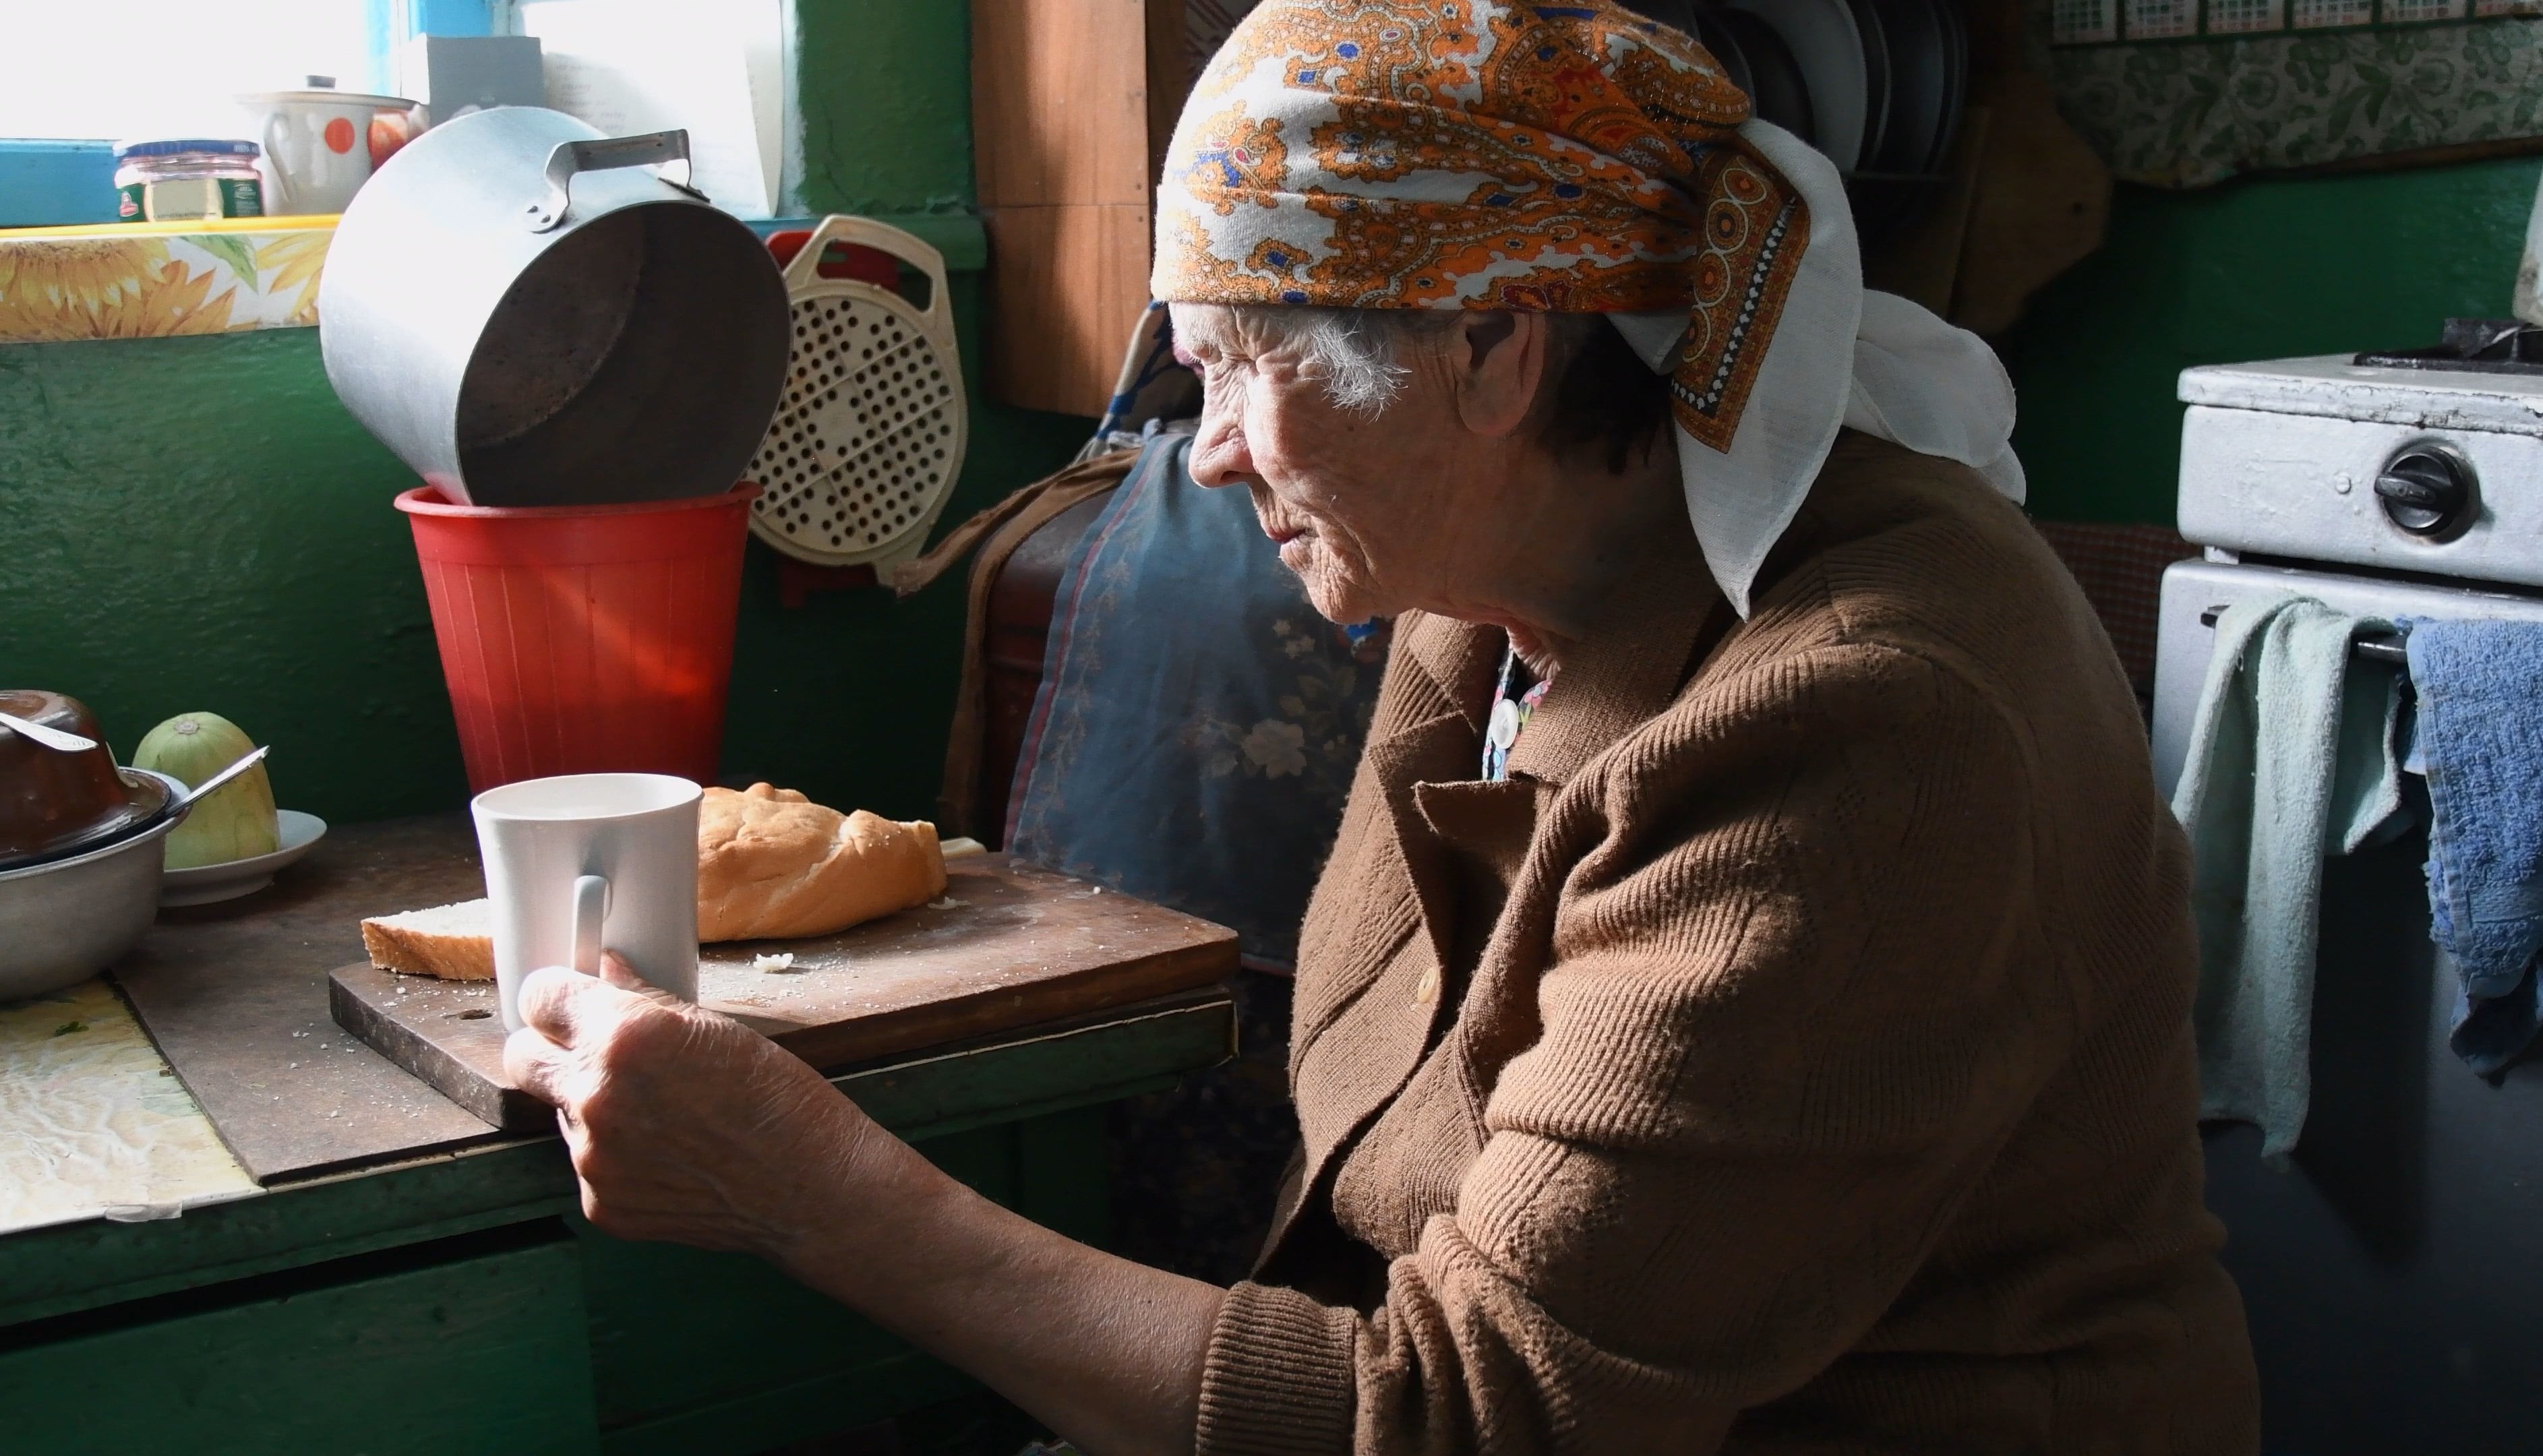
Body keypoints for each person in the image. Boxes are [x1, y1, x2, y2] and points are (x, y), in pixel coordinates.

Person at [503, 3, 2260, 1452]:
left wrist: (809, 1191)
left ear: (1494, 344)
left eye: (1241, 365)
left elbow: (1469, 1416)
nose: (1204, 452)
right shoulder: (1486, 593)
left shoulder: (1866, 728)